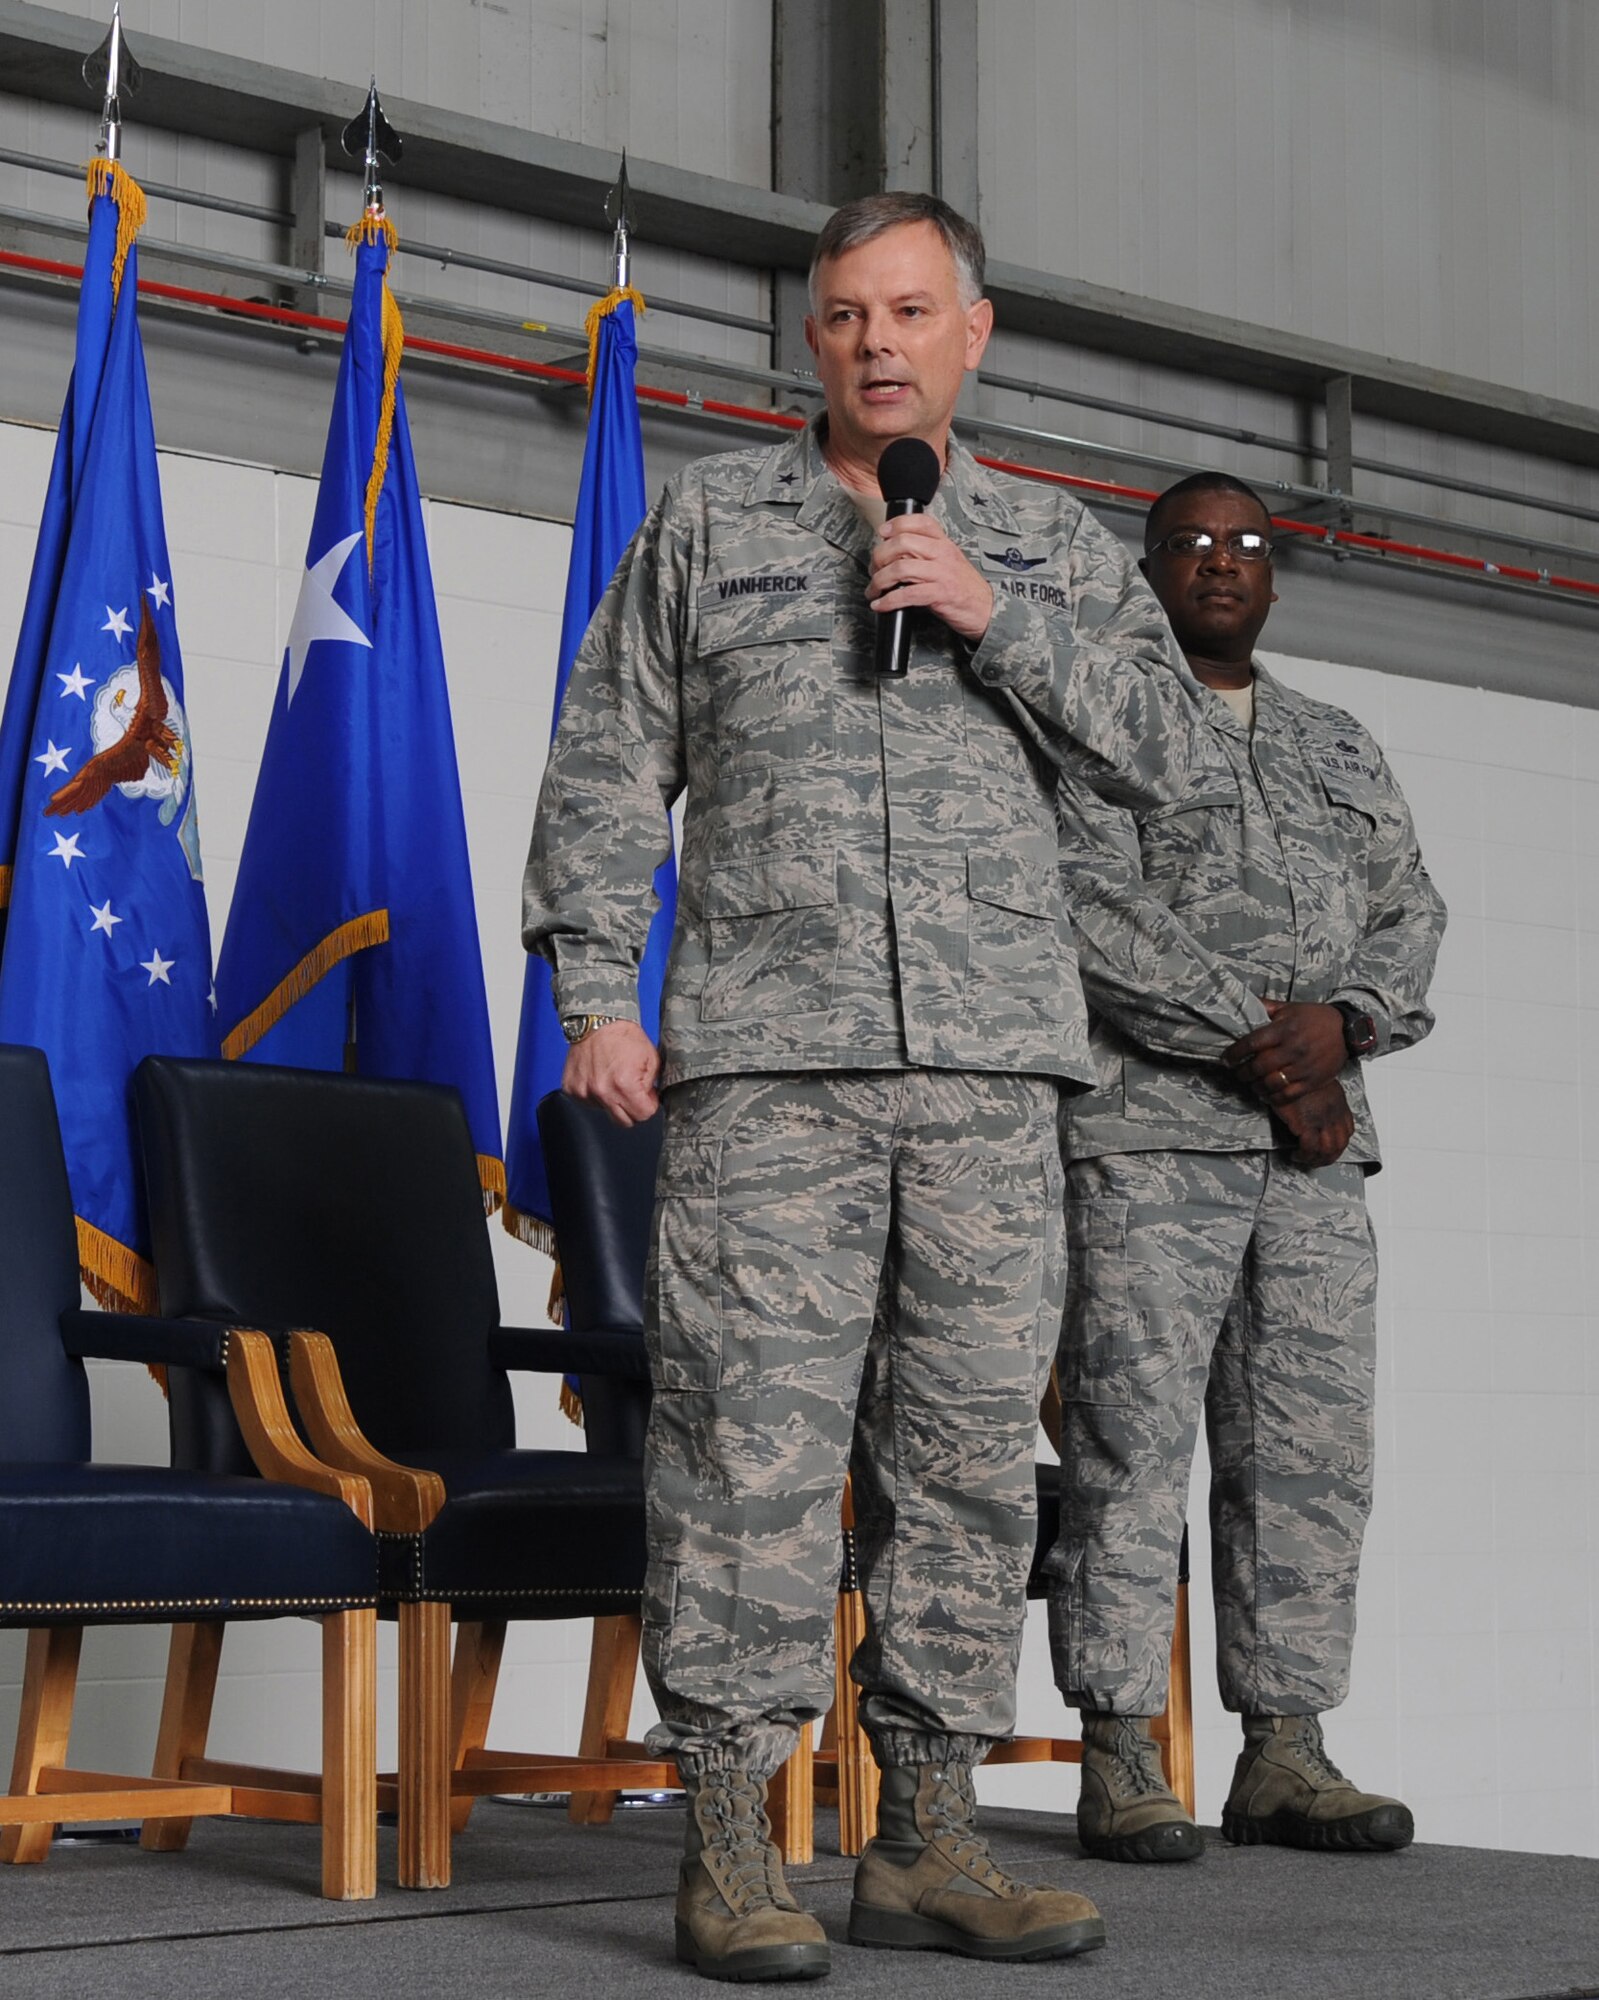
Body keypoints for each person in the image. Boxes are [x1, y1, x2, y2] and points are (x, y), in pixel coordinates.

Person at [525, 191, 1201, 1979]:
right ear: (810, 338)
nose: (875, 343)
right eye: (842, 316)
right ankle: (733, 1845)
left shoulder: (1051, 550)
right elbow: (607, 764)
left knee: (970, 1463)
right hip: (769, 1070)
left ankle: (926, 1839)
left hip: (991, 1074)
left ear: (976, 330)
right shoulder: (709, 522)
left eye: (909, 311)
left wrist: (996, 619)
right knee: (746, 1450)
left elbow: (1172, 764)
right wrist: (602, 988)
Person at [1046, 471, 1446, 1864]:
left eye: (1247, 545)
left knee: (1308, 1453)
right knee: (1130, 1442)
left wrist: (1352, 1027)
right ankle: (1120, 1750)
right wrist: (1266, 1050)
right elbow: (1085, 904)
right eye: (1192, 544)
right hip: (1156, 1136)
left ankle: (1284, 1748)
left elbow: (1409, 907)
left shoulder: (1338, 741)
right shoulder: (1100, 712)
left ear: (1275, 574)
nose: (1221, 564)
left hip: (1317, 1164)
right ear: (1149, 565)